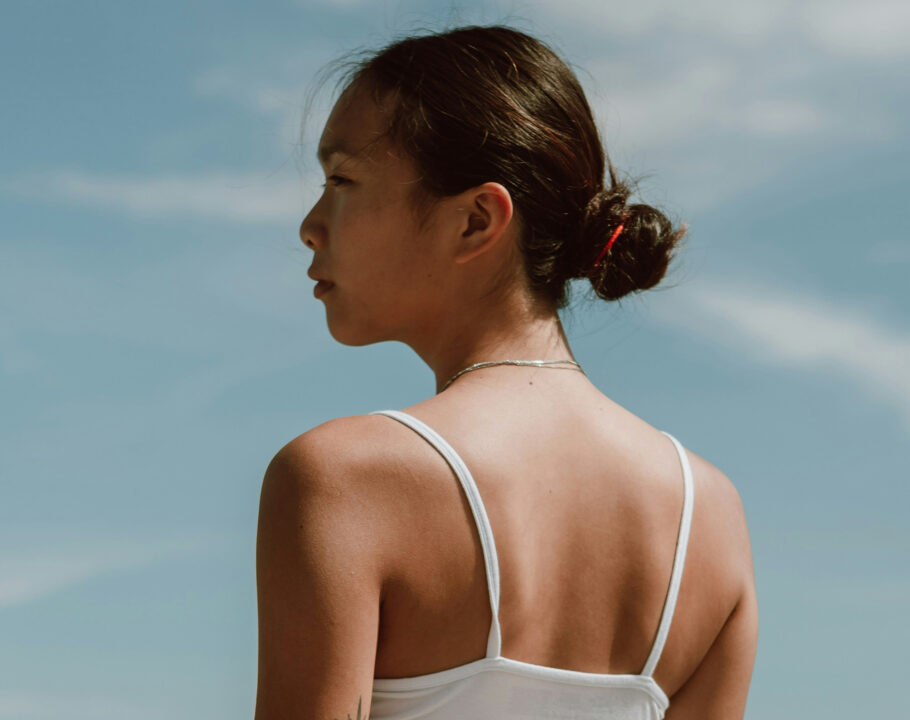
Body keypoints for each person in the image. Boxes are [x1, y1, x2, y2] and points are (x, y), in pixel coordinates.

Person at [255, 24, 757, 720]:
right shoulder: (711, 517)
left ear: (475, 221)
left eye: (342, 178)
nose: (311, 223)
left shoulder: (345, 480)